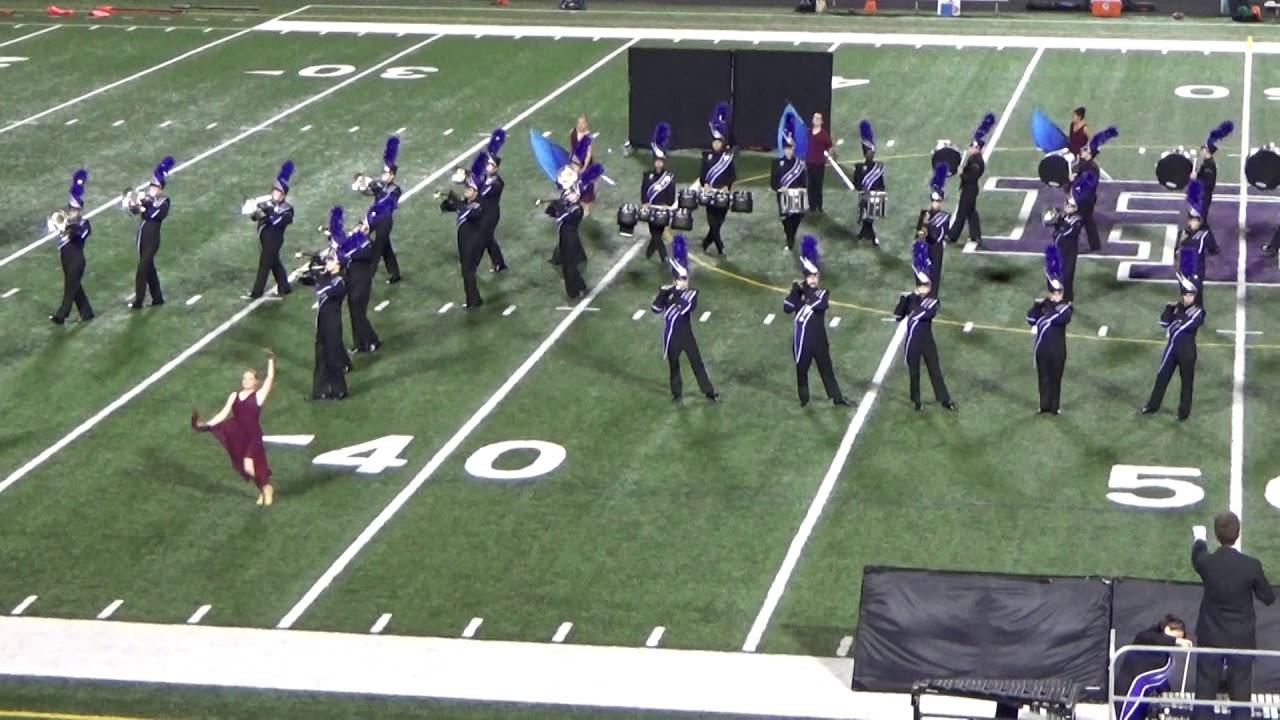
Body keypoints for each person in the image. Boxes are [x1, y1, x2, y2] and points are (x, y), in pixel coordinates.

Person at [1190, 511, 1276, 720]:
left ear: (1216, 534)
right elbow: (1268, 598)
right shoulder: (1251, 565)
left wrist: (1200, 538)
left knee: (1204, 693)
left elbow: (1198, 555)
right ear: (1238, 534)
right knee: (1240, 695)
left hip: (1211, 636)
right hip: (1241, 638)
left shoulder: (1208, 563)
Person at [191, 349, 277, 505]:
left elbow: (270, 378)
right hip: (238, 436)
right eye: (244, 378)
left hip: (253, 436)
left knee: (249, 466)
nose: (246, 381)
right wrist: (207, 424)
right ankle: (262, 489)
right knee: (246, 468)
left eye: (250, 379)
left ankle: (267, 488)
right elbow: (222, 414)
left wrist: (271, 359)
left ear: (255, 382)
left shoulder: (258, 396)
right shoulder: (234, 396)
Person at [784, 235, 854, 408]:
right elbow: (787, 308)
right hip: (802, 341)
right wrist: (794, 291)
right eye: (810, 276)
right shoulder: (799, 293)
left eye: (816, 276)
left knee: (827, 370)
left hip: (820, 340)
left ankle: (837, 397)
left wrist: (804, 288)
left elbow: (818, 304)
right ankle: (804, 400)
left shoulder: (822, 293)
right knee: (802, 372)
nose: (814, 279)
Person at [651, 235, 719, 403]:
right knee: (674, 366)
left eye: (686, 278)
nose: (686, 281)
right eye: (682, 279)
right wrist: (662, 294)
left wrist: (673, 292)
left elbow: (685, 307)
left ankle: (709, 392)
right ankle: (677, 393)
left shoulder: (692, 293)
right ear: (675, 280)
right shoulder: (667, 292)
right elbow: (655, 309)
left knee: (697, 363)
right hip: (672, 336)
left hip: (687, 335)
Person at [1140, 248, 1205, 421]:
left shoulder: (1198, 312)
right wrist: (1168, 309)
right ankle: (1152, 405)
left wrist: (1177, 314)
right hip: (1172, 349)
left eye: (1191, 295)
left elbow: (1184, 327)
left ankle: (1183, 413)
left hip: (1187, 351)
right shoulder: (1177, 307)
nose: (1188, 297)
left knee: (1187, 383)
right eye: (1186, 295)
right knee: (1162, 377)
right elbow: (1163, 324)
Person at [895, 241, 955, 411]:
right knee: (914, 373)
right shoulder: (910, 299)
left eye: (927, 286)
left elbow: (920, 315)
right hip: (913, 342)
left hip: (927, 341)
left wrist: (911, 301)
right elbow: (898, 316)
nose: (925, 288)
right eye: (923, 286)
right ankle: (916, 401)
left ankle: (944, 399)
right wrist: (903, 301)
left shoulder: (932, 302)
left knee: (935, 370)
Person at [1113, 615, 1193, 720]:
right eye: (1177, 636)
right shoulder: (1148, 636)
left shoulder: (1165, 654)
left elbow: (1159, 678)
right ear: (1167, 629)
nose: (1178, 641)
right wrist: (1176, 641)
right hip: (1129, 690)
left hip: (1143, 696)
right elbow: (1146, 637)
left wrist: (1167, 694)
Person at [1027, 245, 1072, 415]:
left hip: (1057, 350)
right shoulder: (1044, 305)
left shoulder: (1065, 307)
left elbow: (1059, 318)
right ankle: (1044, 406)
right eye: (1054, 293)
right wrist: (1036, 307)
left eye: (1059, 293)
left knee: (1055, 378)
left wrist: (1043, 314)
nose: (1056, 296)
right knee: (1043, 378)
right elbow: (1031, 320)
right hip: (1043, 349)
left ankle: (1055, 407)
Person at [440, 154, 488, 309]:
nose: (466, 190)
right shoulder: (466, 201)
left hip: (471, 242)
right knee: (466, 271)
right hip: (464, 241)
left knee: (468, 271)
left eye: (469, 188)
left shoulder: (478, 206)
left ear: (476, 192)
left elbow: (467, 212)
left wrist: (457, 203)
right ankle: (473, 298)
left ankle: (474, 301)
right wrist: (449, 201)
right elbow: (445, 208)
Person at [126, 155, 174, 309]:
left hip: (152, 240)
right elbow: (131, 212)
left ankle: (139, 300)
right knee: (149, 269)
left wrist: (146, 203)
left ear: (160, 189)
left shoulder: (164, 201)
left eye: (154, 187)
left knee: (142, 270)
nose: (151, 189)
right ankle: (157, 297)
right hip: (142, 238)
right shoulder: (147, 200)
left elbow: (156, 214)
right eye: (151, 187)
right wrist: (135, 203)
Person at [245, 160, 295, 300]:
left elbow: (279, 222)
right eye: (274, 190)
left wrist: (270, 210)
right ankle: (285, 287)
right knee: (274, 262)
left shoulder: (287, 209)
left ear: (283, 195)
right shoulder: (267, 203)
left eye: (278, 192)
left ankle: (257, 292)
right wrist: (255, 209)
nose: (274, 193)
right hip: (264, 238)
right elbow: (255, 218)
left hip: (274, 240)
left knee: (264, 265)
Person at [544, 169, 597, 300]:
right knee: (569, 266)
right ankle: (581, 286)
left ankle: (574, 291)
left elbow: (561, 215)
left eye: (573, 193)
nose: (570, 194)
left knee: (569, 267)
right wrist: (550, 206)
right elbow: (557, 206)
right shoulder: (567, 199)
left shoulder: (577, 210)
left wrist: (552, 207)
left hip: (570, 239)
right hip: (564, 236)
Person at [50, 168, 94, 325]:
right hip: (66, 260)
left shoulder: (84, 224)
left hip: (76, 261)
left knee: (69, 289)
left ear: (80, 210)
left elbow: (80, 235)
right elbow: (52, 227)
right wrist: (62, 224)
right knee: (75, 288)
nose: (71, 212)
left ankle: (61, 315)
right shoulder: (65, 222)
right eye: (70, 209)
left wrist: (69, 227)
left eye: (74, 210)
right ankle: (87, 313)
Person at [357, 136, 402, 283]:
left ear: (392, 175)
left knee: (378, 248)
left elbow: (387, 201)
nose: (384, 175)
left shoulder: (395, 189)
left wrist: (376, 185)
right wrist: (363, 186)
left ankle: (368, 277)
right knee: (385, 246)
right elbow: (368, 192)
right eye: (383, 173)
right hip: (376, 218)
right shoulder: (380, 186)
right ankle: (395, 273)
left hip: (385, 221)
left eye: (387, 173)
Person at [948, 113, 993, 246]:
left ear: (977, 148)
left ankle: (952, 236)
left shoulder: (977, 162)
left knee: (961, 213)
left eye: (972, 147)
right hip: (970, 189)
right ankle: (975, 235)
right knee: (971, 213)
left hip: (970, 189)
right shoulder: (974, 159)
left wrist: (962, 173)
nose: (969, 149)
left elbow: (971, 178)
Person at [1071, 125, 1116, 253]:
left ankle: (1073, 245)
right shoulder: (1086, 163)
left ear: (1089, 154)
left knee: (1076, 221)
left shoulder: (1091, 170)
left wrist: (1073, 182)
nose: (1082, 152)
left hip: (1085, 199)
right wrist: (1109, 133)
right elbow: (1096, 140)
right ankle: (1095, 245)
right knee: (1087, 221)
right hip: (1087, 198)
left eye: (1084, 151)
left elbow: (1085, 186)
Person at [1047, 176, 1089, 304]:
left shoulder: (1077, 219)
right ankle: (1060, 294)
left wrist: (1058, 225)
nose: (1066, 206)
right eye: (1066, 203)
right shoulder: (1066, 215)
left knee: (1067, 274)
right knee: (1059, 272)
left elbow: (1068, 232)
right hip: (1061, 248)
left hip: (1069, 250)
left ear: (1075, 208)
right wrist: (1056, 219)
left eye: (1069, 205)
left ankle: (1067, 298)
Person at [700, 102, 736, 255]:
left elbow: (732, 175)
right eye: (714, 142)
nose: (716, 144)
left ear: (722, 143)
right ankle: (720, 247)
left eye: (718, 142)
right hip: (710, 194)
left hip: (723, 193)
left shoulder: (728, 158)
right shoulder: (706, 157)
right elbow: (702, 175)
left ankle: (706, 242)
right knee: (712, 222)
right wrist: (705, 184)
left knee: (718, 223)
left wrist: (727, 186)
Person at [771, 115, 807, 252]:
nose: (789, 151)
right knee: (785, 220)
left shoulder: (800, 164)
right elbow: (773, 182)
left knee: (797, 217)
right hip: (783, 196)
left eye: (791, 148)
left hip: (796, 197)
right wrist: (779, 188)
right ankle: (789, 237)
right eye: (787, 149)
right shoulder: (777, 164)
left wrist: (798, 189)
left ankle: (790, 237)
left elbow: (804, 182)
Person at [641, 121, 676, 262]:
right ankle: (664, 256)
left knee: (657, 233)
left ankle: (649, 253)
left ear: (664, 162)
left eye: (661, 161)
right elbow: (644, 191)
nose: (659, 163)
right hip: (651, 209)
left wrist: (667, 205)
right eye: (657, 161)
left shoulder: (669, 177)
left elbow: (671, 194)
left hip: (662, 209)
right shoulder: (647, 176)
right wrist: (645, 202)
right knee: (655, 233)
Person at [1181, 179, 1217, 310]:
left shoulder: (1202, 235)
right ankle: (1189, 308)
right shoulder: (1184, 233)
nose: (1191, 222)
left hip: (1195, 268)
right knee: (1186, 289)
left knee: (1195, 290)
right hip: (1187, 265)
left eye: (1194, 220)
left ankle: (1197, 310)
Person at [920, 163, 952, 299]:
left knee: (936, 272)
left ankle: (933, 295)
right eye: (934, 201)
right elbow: (919, 234)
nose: (935, 203)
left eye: (937, 201)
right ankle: (925, 293)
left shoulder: (945, 217)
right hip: (926, 246)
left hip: (937, 248)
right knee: (924, 272)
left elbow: (945, 233)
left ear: (941, 202)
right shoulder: (925, 215)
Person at [479, 129, 508, 273]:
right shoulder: (486, 178)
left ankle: (498, 263)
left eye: (490, 165)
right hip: (484, 211)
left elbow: (482, 193)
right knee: (487, 238)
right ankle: (499, 263)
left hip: (491, 214)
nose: (487, 167)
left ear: (496, 168)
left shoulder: (497, 182)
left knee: (486, 237)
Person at [853, 119, 886, 246]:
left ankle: (865, 234)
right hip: (865, 196)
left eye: (872, 152)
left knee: (869, 218)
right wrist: (862, 189)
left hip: (875, 196)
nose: (871, 154)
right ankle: (870, 236)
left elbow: (881, 183)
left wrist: (879, 191)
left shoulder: (878, 167)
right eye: (868, 152)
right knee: (866, 218)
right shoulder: (859, 168)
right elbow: (857, 184)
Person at [1197, 121, 1233, 229]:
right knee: (1201, 216)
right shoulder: (1207, 163)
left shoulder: (1209, 165)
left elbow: (1208, 184)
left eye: (1203, 150)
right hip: (1204, 194)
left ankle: (1202, 231)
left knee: (1201, 217)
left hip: (1204, 194)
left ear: (1207, 151)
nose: (1201, 152)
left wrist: (1197, 180)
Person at [805, 111, 834, 213]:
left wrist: (828, 157)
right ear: (813, 120)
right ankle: (811, 205)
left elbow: (830, 146)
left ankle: (819, 205)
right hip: (809, 162)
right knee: (810, 185)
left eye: (818, 119)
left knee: (818, 185)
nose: (816, 120)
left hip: (819, 164)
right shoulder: (808, 132)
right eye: (815, 118)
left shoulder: (823, 134)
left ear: (821, 122)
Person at [568, 115, 596, 217]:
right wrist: (571, 161)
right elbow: (572, 147)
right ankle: (575, 201)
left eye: (582, 123)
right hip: (575, 163)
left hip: (585, 164)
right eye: (579, 122)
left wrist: (584, 167)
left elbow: (588, 154)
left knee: (587, 185)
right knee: (574, 183)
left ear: (586, 124)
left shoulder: (587, 137)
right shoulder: (573, 132)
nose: (580, 125)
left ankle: (587, 208)